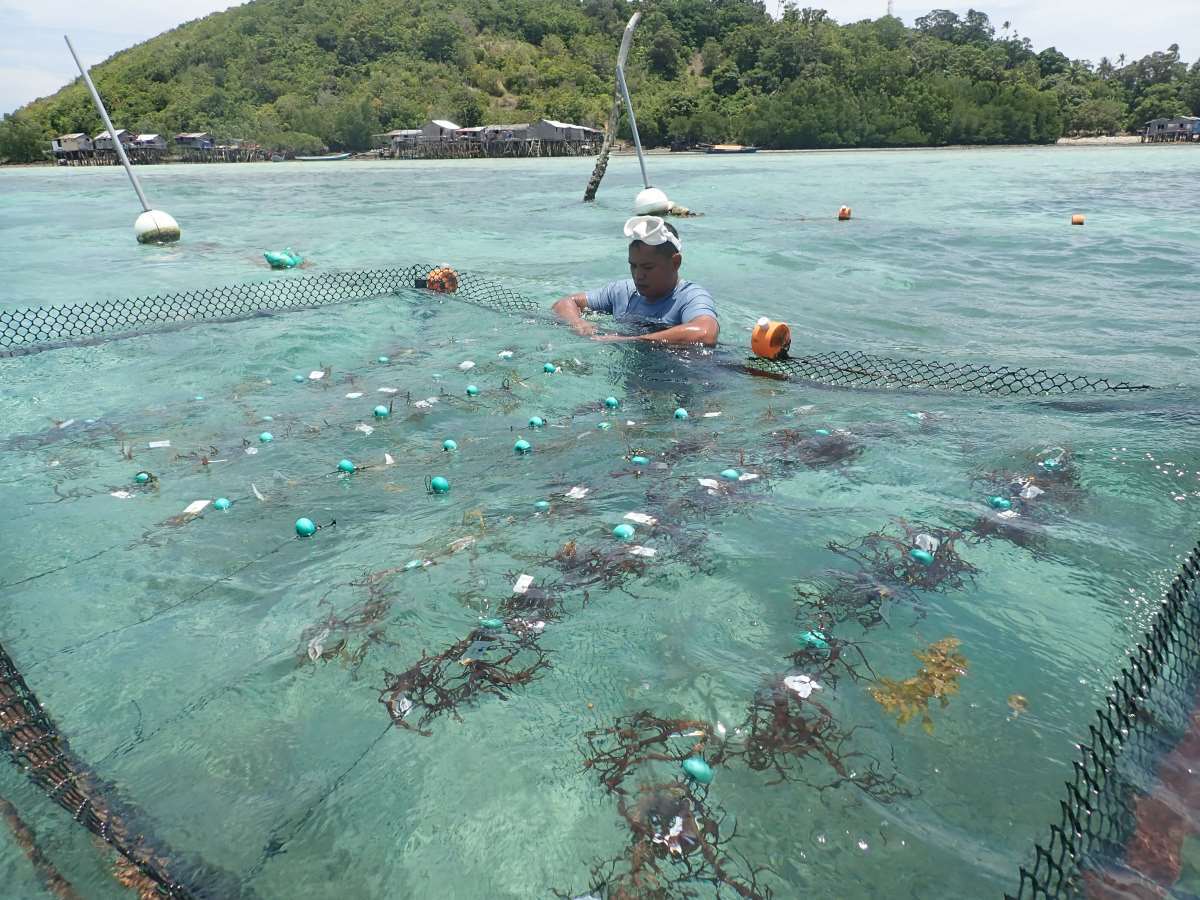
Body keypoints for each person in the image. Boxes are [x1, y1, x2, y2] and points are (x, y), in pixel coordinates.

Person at [552, 217, 719, 347]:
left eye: (648, 267)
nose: (638, 275)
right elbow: (565, 303)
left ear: (675, 263)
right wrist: (577, 323)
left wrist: (630, 339)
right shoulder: (622, 292)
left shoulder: (690, 297)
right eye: (633, 266)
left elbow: (705, 334)